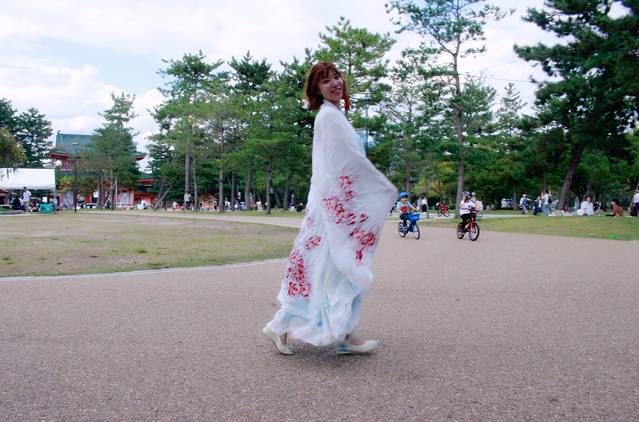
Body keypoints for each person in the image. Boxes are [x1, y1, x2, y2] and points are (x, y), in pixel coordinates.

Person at [263, 62, 397, 355]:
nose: (335, 83)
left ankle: (337, 333)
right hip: (330, 210)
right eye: (326, 81)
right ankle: (305, 330)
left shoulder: (335, 115)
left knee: (330, 270)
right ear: (317, 90)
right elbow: (349, 161)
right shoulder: (328, 117)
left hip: (332, 206)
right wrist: (380, 185)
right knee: (331, 269)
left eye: (337, 77)